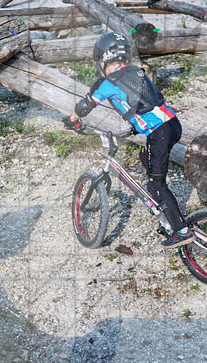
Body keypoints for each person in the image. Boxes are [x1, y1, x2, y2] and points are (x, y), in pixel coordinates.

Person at [68, 32, 193, 248]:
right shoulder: (136, 72)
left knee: (156, 186)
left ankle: (181, 231)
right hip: (174, 124)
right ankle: (161, 204)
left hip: (159, 133)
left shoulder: (108, 82)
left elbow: (85, 106)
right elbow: (141, 104)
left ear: (103, 60)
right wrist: (135, 128)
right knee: (146, 156)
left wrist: (74, 119)